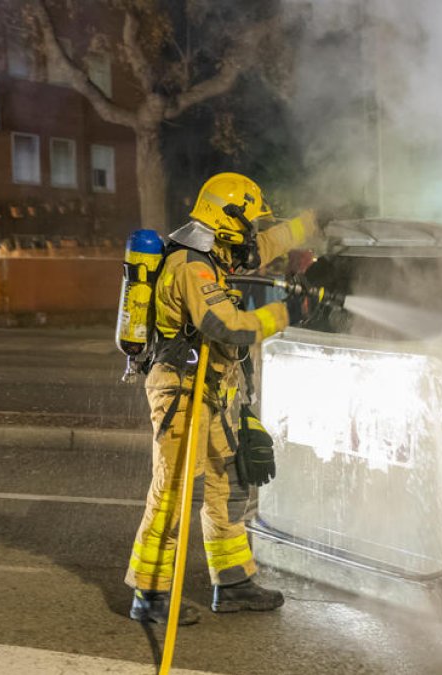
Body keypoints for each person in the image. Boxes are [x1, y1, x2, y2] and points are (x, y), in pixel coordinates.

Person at [125, 172, 317, 625]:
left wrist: (312, 222)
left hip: (209, 393)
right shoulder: (192, 265)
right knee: (172, 493)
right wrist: (288, 312)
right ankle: (148, 594)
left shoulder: (213, 252)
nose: (251, 232)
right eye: (247, 221)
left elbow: (261, 247)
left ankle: (232, 583)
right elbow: (225, 325)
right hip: (180, 394)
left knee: (227, 487)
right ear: (227, 219)